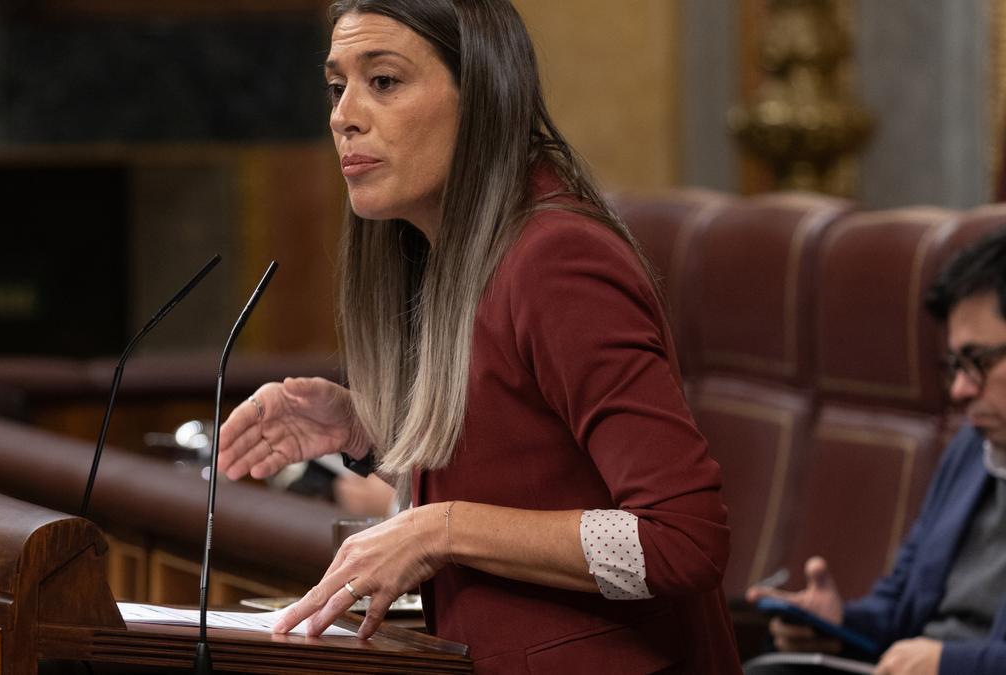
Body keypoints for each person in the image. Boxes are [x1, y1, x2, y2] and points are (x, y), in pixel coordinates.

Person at [218, 0, 742, 671]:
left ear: (483, 97)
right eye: (336, 85)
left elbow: (681, 539)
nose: (343, 115)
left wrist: (443, 530)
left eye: (383, 81)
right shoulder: (455, 253)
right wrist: (364, 428)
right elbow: (530, 467)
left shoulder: (556, 260)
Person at [745, 227, 1006, 675]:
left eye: (979, 361)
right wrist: (836, 623)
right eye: (955, 367)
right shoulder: (971, 448)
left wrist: (950, 664)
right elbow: (899, 606)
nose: (961, 389)